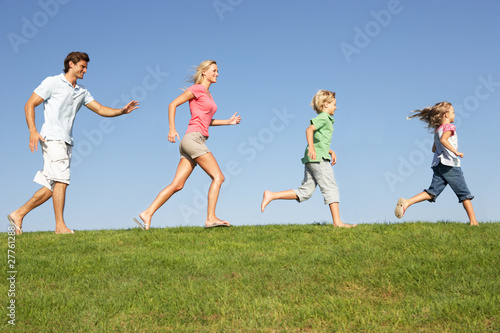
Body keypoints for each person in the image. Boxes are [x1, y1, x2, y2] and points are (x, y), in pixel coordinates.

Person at [7, 52, 139, 235]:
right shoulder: (52, 82)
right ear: (71, 64)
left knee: (52, 186)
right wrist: (33, 131)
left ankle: (18, 214)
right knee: (61, 181)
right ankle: (60, 226)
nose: (85, 70)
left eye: (86, 67)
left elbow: (100, 109)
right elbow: (29, 104)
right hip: (52, 138)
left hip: (66, 141)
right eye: (82, 67)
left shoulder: (81, 91)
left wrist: (122, 111)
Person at [135, 60, 241, 230]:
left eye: (217, 71)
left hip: (192, 141)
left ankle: (147, 213)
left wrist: (228, 122)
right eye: (214, 70)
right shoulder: (197, 89)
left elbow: (206, 121)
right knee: (218, 177)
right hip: (193, 140)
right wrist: (171, 129)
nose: (217, 74)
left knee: (177, 184)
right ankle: (210, 218)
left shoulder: (208, 94)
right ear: (204, 72)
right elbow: (173, 104)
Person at [261, 90, 356, 228]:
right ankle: (338, 222)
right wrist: (311, 147)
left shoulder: (326, 119)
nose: (336, 107)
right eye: (334, 104)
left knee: (305, 191)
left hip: (312, 158)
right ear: (325, 104)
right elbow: (309, 130)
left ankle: (271, 195)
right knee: (331, 188)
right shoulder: (324, 118)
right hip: (318, 159)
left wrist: (330, 150)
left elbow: (320, 141)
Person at [394, 101, 478, 226]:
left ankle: (407, 202)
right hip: (450, 165)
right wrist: (456, 151)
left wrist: (443, 146)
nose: (454, 114)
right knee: (464, 194)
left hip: (438, 165)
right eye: (453, 112)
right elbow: (444, 140)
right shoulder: (449, 127)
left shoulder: (437, 130)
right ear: (446, 115)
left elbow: (434, 149)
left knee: (432, 192)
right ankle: (473, 222)